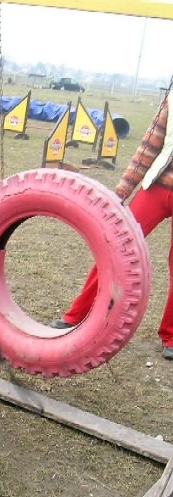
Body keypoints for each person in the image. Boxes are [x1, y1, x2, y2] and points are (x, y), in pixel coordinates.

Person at [51, 93, 173, 360]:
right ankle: (76, 315)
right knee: (115, 248)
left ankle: (171, 336)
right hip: (157, 185)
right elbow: (149, 146)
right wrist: (122, 191)